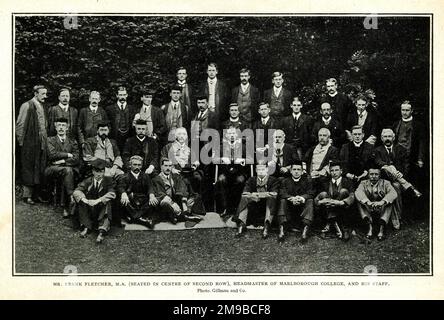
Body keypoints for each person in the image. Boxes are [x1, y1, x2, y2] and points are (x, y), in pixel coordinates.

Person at [373, 128, 422, 229]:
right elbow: (378, 162)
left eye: (389, 136)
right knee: (389, 170)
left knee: (396, 186)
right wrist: (390, 167)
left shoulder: (401, 149)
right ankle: (410, 188)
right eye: (385, 137)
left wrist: (399, 173)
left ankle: (396, 219)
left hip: (399, 177)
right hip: (384, 179)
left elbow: (405, 166)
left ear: (393, 137)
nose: (387, 139)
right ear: (382, 138)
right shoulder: (377, 150)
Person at [16, 84, 48, 204]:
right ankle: (27, 196)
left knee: (39, 167)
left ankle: (36, 195)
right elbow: (20, 125)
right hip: (29, 142)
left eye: (46, 93)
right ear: (35, 94)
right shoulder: (27, 105)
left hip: (41, 142)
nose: (45, 96)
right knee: (28, 167)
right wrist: (21, 143)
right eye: (43, 94)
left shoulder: (42, 106)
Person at [73, 159, 116, 244]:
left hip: (101, 209)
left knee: (107, 202)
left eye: (101, 171)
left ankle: (102, 231)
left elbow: (112, 193)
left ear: (104, 172)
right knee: (81, 200)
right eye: (97, 171)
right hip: (90, 208)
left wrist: (98, 200)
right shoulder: (88, 181)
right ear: (93, 171)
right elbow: (76, 191)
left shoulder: (109, 181)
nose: (99, 174)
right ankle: (86, 226)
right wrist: (85, 200)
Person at [232, 163, 279, 239]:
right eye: (259, 169)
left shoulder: (273, 180)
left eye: (263, 169)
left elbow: (274, 194)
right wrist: (252, 196)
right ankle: (242, 223)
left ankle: (267, 225)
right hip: (255, 205)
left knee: (271, 198)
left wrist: (257, 195)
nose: (261, 171)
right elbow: (245, 193)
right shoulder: (251, 180)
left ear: (267, 170)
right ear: (256, 170)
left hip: (268, 206)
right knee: (245, 198)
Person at [45, 117, 80, 217]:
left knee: (67, 172)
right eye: (59, 125)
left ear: (67, 128)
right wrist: (68, 155)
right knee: (68, 171)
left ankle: (65, 205)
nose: (61, 128)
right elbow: (52, 155)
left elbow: (77, 158)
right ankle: (71, 197)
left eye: (63, 125)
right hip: (52, 168)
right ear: (55, 127)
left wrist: (63, 161)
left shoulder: (73, 141)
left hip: (66, 168)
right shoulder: (50, 140)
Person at [214, 127, 251, 216]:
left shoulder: (244, 147)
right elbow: (214, 160)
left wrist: (243, 160)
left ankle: (237, 208)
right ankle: (225, 208)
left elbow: (251, 159)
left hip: (240, 172)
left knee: (240, 181)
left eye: (234, 133)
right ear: (226, 136)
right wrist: (222, 159)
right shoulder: (221, 147)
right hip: (225, 173)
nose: (232, 136)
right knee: (221, 180)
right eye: (230, 134)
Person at [354, 166, 398, 241]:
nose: (373, 176)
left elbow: (393, 193)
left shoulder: (386, 183)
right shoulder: (363, 183)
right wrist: (367, 202)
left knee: (390, 201)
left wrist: (382, 202)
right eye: (371, 174)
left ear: (379, 175)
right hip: (369, 206)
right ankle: (369, 227)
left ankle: (381, 228)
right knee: (360, 201)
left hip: (381, 207)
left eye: (376, 174)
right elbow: (358, 192)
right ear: (368, 175)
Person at [314, 161, 355, 241]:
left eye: (336, 170)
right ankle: (335, 224)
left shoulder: (348, 181)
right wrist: (321, 202)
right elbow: (317, 198)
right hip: (327, 208)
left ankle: (332, 224)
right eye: (332, 170)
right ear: (329, 171)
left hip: (343, 210)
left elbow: (352, 196)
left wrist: (340, 202)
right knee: (323, 193)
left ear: (341, 171)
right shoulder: (325, 182)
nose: (334, 173)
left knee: (343, 191)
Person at [277, 161, 315, 243]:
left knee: (310, 201)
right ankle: (282, 229)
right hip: (289, 208)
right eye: (294, 169)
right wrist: (291, 198)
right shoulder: (285, 181)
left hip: (302, 208)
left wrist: (301, 198)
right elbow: (282, 193)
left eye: (299, 169)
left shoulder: (307, 181)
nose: (296, 171)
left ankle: (305, 230)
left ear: (302, 171)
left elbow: (311, 193)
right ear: (290, 171)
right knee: (283, 201)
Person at [117, 155, 159, 228]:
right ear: (130, 165)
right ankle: (142, 219)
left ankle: (135, 217)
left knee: (154, 201)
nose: (137, 167)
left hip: (142, 200)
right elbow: (121, 187)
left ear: (142, 166)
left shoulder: (145, 176)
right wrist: (124, 194)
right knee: (123, 201)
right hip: (131, 201)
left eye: (139, 165)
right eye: (135, 164)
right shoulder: (124, 176)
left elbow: (150, 187)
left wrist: (151, 195)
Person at [151, 158, 193, 224]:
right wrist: (173, 204)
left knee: (191, 197)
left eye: (170, 166)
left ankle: (177, 215)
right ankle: (178, 216)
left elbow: (181, 189)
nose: (168, 168)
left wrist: (183, 200)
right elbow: (161, 194)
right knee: (165, 203)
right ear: (161, 167)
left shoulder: (175, 177)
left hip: (175, 200)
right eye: (166, 166)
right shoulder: (157, 179)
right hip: (164, 202)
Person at [105, 86, 137, 152]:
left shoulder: (133, 109)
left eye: (124, 95)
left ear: (127, 95)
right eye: (120, 95)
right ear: (117, 95)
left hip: (129, 137)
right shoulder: (110, 109)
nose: (122, 97)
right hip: (115, 138)